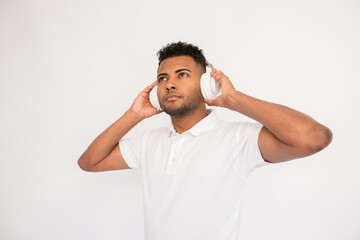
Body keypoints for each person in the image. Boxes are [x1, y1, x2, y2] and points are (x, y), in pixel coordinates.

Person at [78, 42, 332, 240]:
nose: (169, 84)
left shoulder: (238, 139)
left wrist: (234, 99)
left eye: (182, 75)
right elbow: (89, 162)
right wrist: (133, 116)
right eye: (163, 78)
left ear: (206, 84)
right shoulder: (149, 141)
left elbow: (315, 138)